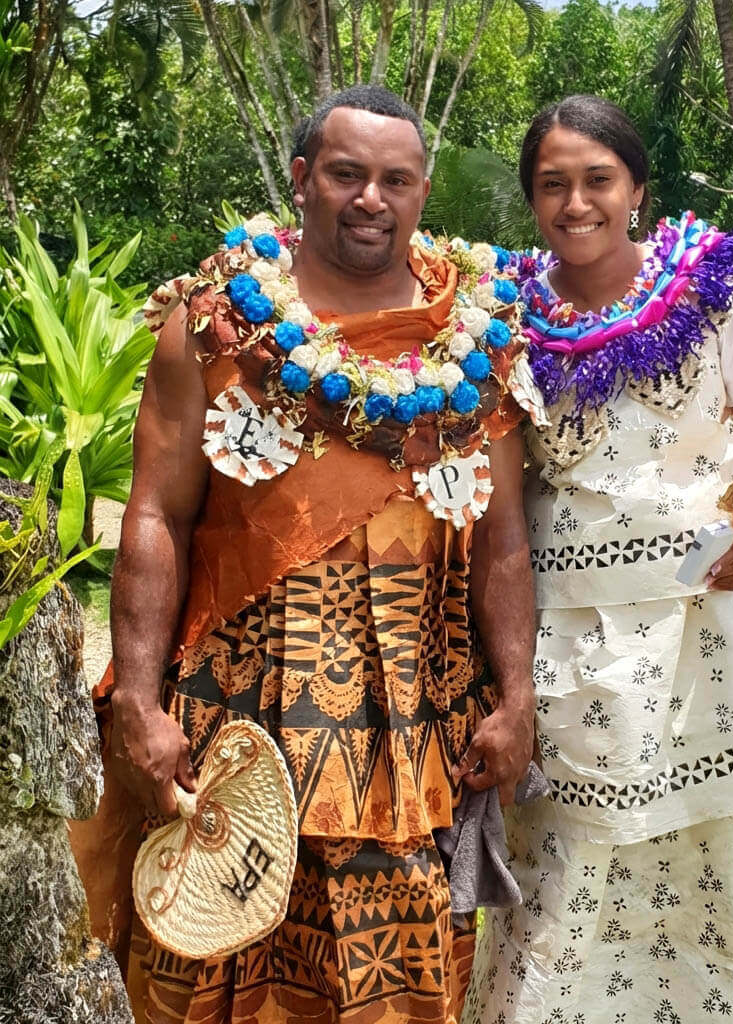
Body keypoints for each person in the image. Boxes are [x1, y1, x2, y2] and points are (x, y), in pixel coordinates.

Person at [73, 85, 536, 1024]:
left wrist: (519, 700)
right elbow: (154, 515)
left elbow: (503, 542)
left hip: (413, 726)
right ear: (300, 180)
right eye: (346, 174)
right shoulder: (217, 330)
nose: (373, 198)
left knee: (398, 989)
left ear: (421, 191)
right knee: (209, 968)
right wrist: (138, 698)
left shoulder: (477, 341)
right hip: (232, 723)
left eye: (396, 180)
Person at [463, 95, 733, 1024]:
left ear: (636, 190)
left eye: (596, 180)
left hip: (719, 635)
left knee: (715, 864)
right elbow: (497, 504)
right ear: (531, 201)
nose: (575, 202)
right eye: (552, 185)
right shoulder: (502, 321)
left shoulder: (716, 294)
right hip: (572, 643)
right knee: (564, 871)